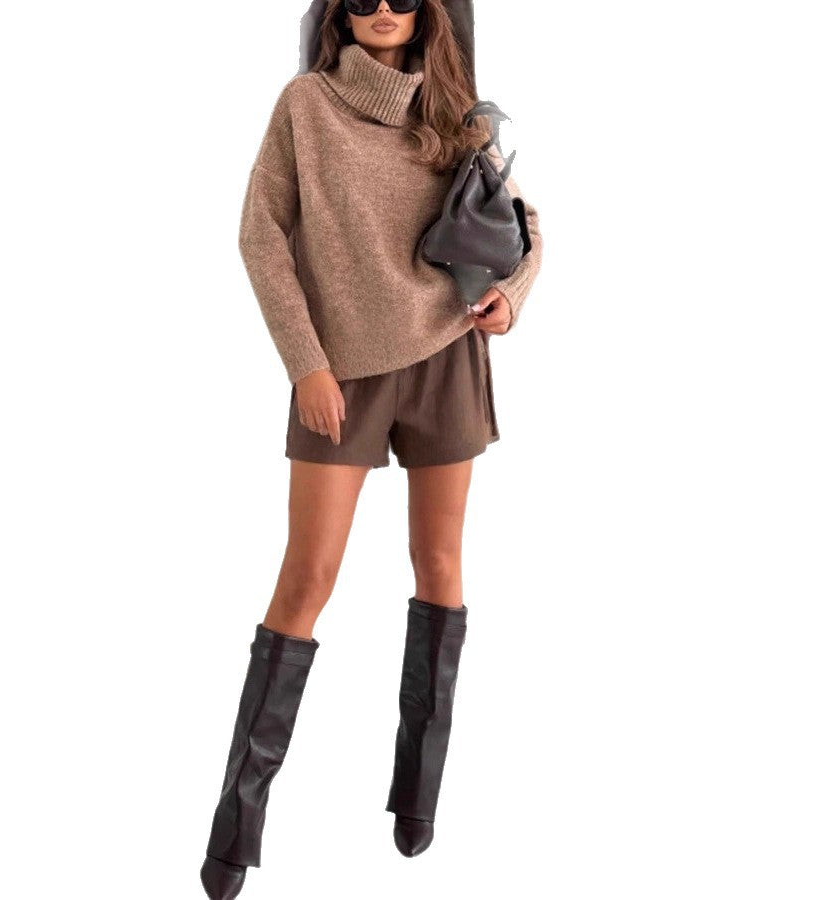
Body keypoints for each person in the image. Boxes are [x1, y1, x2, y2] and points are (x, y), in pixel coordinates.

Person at [200, 1, 543, 897]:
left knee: (441, 566)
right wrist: (306, 364)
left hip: (448, 359)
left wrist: (511, 300)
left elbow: (524, 224)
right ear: (338, 11)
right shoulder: (306, 105)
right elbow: (260, 234)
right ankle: (237, 826)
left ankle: (417, 797)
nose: (383, 8)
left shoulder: (456, 109)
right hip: (340, 374)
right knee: (307, 577)